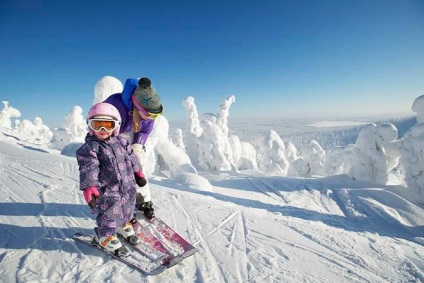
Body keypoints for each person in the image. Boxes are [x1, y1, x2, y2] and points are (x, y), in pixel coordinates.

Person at [76, 102, 147, 257]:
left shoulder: (121, 142)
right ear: (90, 126)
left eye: (108, 125)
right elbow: (89, 166)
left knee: (128, 207)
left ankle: (122, 225)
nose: (102, 130)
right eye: (97, 125)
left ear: (115, 126)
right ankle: (104, 236)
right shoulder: (91, 148)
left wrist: (138, 172)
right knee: (110, 212)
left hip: (128, 185)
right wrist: (90, 186)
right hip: (108, 189)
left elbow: (132, 157)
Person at [103, 77, 163, 219]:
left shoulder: (148, 114)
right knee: (117, 172)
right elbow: (101, 126)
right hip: (110, 136)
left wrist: (137, 146)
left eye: (155, 115)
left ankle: (143, 201)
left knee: (138, 169)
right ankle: (120, 204)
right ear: (137, 106)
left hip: (131, 136)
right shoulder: (114, 105)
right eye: (149, 114)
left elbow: (145, 131)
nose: (151, 118)